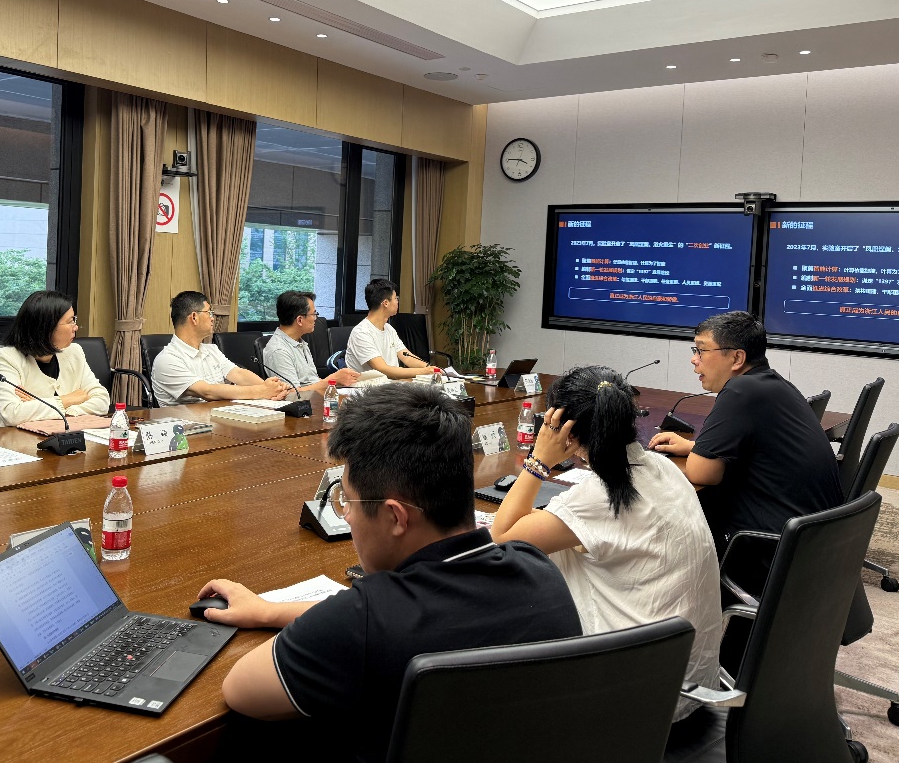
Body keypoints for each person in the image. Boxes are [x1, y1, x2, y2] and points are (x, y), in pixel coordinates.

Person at [196, 383, 581, 763]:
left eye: (347, 501)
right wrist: (268, 611)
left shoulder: (364, 621)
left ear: (395, 517)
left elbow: (240, 689)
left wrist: (339, 615)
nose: (347, 516)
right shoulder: (540, 573)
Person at [488, 365, 721, 720]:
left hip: (635, 705)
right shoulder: (664, 468)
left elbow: (501, 539)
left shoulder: (599, 497)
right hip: (692, 685)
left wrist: (539, 461)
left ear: (563, 430)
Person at [648, 311, 844, 550]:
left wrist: (650, 462)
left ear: (737, 358)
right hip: (815, 544)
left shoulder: (739, 391)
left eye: (701, 350)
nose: (694, 359)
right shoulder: (775, 384)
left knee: (667, 537)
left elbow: (703, 474)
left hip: (771, 548)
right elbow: (761, 450)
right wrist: (694, 447)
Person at [0, 291, 110, 428]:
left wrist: (63, 412)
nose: (75, 327)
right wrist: (68, 399)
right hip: (9, 438)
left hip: (61, 435)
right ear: (46, 327)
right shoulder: (6, 358)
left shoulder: (74, 352)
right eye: (70, 321)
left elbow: (102, 400)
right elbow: (12, 414)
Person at [151, 291, 290, 407]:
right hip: (187, 427)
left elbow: (238, 374)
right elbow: (207, 392)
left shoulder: (211, 350)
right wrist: (261, 391)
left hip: (221, 418)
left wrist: (272, 389)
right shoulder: (167, 359)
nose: (213, 318)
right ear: (194, 317)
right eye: (209, 313)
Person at [260, 290, 359, 394]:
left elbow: (312, 381)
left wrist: (338, 381)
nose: (316, 318)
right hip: (303, 402)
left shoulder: (299, 342)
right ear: (299, 320)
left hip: (316, 397)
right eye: (314, 314)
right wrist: (333, 380)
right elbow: (292, 394)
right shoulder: (278, 350)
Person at [344, 279, 436, 379]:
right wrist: (424, 372)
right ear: (386, 303)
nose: (397, 302)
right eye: (396, 298)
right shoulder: (361, 333)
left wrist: (430, 368)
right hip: (370, 387)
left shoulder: (389, 328)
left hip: (391, 384)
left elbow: (407, 357)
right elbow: (384, 369)